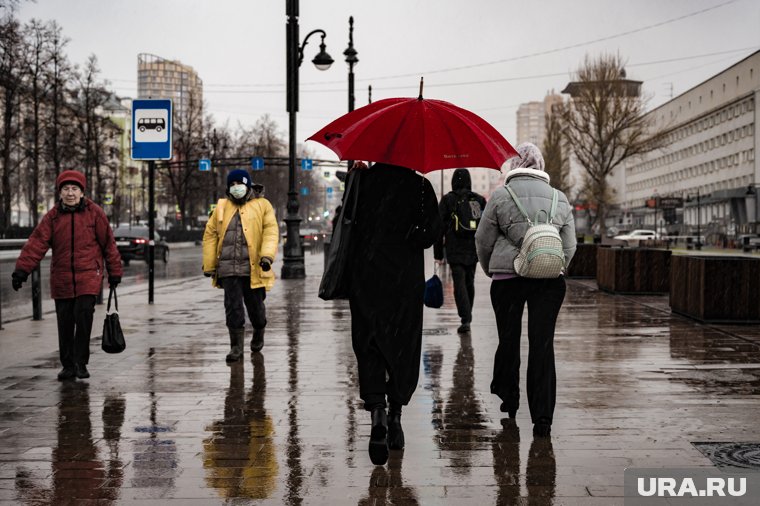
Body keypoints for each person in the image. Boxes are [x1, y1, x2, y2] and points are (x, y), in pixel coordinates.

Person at [475, 143, 576, 437]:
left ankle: (509, 398)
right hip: (548, 281)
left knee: (508, 339)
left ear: (514, 164)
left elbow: (483, 239)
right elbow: (569, 245)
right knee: (542, 345)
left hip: (508, 279)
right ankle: (542, 417)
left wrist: (491, 268)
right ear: (540, 164)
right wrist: (554, 265)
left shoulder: (501, 197)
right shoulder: (559, 198)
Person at [346, 162, 442, 465]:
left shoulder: (362, 182)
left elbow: (347, 224)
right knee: (403, 345)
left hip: (366, 277)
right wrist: (413, 235)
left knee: (369, 343)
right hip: (404, 280)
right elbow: (433, 233)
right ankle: (396, 416)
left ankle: (377, 412)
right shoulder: (420, 187)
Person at [11, 170, 123, 381]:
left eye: (74, 189)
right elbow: (37, 243)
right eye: (66, 189)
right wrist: (22, 270)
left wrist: (115, 272)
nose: (70, 193)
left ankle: (81, 363)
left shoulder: (94, 213)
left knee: (83, 318)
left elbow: (109, 244)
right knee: (64, 322)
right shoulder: (52, 217)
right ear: (60, 192)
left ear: (82, 192)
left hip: (88, 276)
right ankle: (67, 365)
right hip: (62, 277)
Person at [202, 169, 278, 361]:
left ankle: (259, 329)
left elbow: (270, 231)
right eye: (232, 185)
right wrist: (210, 264)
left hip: (254, 266)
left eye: (240, 184)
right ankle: (236, 347)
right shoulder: (221, 207)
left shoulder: (262, 205)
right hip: (228, 268)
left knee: (256, 308)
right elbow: (210, 235)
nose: (236, 188)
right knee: (233, 307)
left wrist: (267, 256)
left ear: (248, 185)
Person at [433, 169, 487, 334]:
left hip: (455, 248)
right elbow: (486, 226)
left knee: (459, 283)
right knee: (469, 282)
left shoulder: (448, 200)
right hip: (473, 249)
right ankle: (467, 316)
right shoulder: (478, 200)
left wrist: (438, 254)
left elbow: (438, 229)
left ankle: (465, 318)